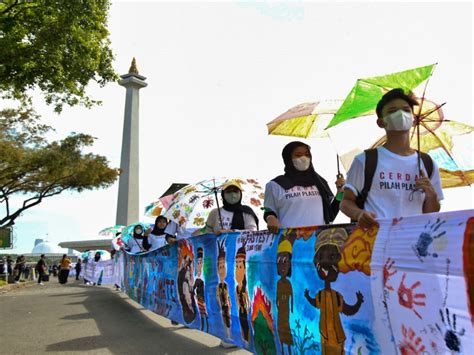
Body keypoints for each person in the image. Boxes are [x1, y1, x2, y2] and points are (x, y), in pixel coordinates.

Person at [340, 89, 444, 229]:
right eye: (392, 111)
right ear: (381, 122)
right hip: (376, 241)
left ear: (413, 119)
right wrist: (359, 214)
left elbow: (431, 212)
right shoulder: (365, 160)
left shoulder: (427, 163)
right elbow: (346, 202)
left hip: (414, 243)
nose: (401, 114)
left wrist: (431, 195)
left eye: (406, 110)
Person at [264, 141, 345, 233]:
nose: (304, 158)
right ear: (288, 158)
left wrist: (340, 193)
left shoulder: (320, 183)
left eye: (307, 155)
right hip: (289, 242)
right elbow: (269, 210)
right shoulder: (275, 185)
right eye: (298, 155)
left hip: (316, 242)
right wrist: (270, 218)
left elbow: (330, 216)